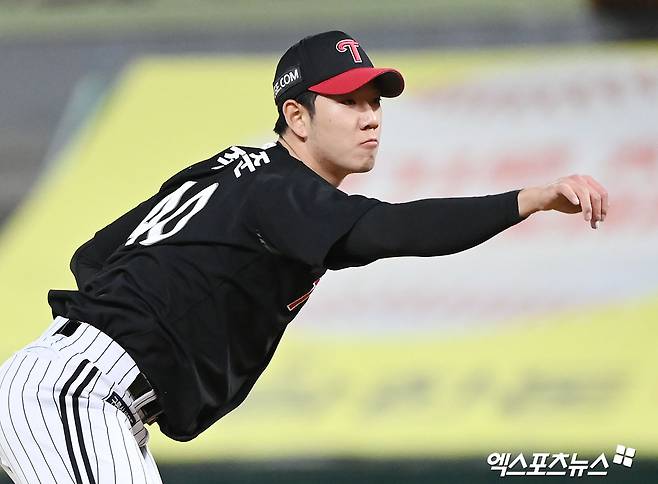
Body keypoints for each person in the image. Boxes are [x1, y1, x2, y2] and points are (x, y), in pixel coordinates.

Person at [0, 30, 608, 484]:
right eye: (348, 103)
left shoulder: (237, 173)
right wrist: (529, 197)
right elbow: (396, 229)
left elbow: (97, 254)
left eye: (375, 102)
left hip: (84, 387)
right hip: (80, 392)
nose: (370, 118)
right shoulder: (283, 190)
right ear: (296, 116)